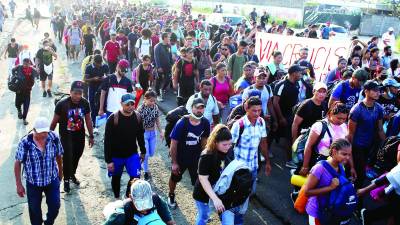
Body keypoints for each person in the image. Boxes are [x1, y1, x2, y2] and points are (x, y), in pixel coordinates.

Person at [14, 117, 63, 225]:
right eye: (41, 132)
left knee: (55, 205)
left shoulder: (53, 137)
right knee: (35, 211)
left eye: (46, 131)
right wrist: (19, 184)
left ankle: (48, 222)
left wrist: (60, 172)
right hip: (33, 183)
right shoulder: (25, 143)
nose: (44, 134)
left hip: (51, 179)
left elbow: (59, 155)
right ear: (34, 130)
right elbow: (17, 163)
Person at [50, 81, 94, 193]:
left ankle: (71, 174)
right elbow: (54, 122)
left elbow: (88, 119)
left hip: (79, 136)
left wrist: (91, 136)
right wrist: (49, 137)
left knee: (77, 156)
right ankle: (66, 180)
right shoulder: (62, 104)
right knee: (67, 158)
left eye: (80, 93)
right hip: (66, 136)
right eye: (75, 93)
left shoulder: (85, 103)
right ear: (70, 92)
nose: (78, 96)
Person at [168, 98, 210, 209]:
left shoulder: (205, 122)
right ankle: (171, 195)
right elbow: (174, 144)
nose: (200, 110)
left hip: (196, 158)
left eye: (202, 107)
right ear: (192, 108)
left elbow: (204, 140)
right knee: (175, 178)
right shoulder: (182, 122)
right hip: (181, 157)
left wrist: (204, 158)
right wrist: (174, 163)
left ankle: (200, 208)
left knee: (199, 182)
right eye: (197, 107)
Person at [193, 124, 237, 225]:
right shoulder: (207, 155)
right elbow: (203, 179)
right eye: (224, 145)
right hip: (203, 193)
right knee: (203, 216)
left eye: (230, 144)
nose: (228, 147)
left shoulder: (229, 150)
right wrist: (215, 199)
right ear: (215, 142)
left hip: (220, 189)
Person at [104, 93, 145, 199]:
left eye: (132, 104)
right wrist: (109, 161)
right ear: (121, 104)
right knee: (116, 178)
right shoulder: (113, 118)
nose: (131, 107)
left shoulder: (138, 117)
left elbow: (140, 136)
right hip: (116, 156)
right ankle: (117, 198)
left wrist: (143, 151)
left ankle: (127, 197)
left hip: (132, 154)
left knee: (135, 177)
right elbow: (107, 141)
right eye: (127, 104)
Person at [303, 139, 353, 225]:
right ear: (334, 151)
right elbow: (307, 192)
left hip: (329, 212)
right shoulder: (319, 168)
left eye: (349, 154)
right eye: (344, 154)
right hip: (316, 212)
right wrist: (330, 187)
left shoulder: (341, 167)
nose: (347, 158)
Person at [231, 96, 271, 197]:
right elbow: (229, 147)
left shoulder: (261, 122)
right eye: (254, 111)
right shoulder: (238, 125)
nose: (257, 114)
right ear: (246, 108)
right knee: (238, 194)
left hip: (253, 166)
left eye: (259, 110)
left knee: (251, 193)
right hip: (239, 168)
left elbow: (263, 143)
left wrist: (267, 162)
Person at [348, 80, 386, 188]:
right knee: (359, 175)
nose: (378, 93)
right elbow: (350, 134)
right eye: (375, 91)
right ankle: (356, 199)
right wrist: (349, 155)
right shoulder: (356, 109)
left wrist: (385, 145)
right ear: (366, 91)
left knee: (361, 173)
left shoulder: (378, 108)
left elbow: (380, 129)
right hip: (357, 146)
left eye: (379, 91)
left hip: (370, 146)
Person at [299, 102, 350, 176]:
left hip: (334, 166)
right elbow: (308, 146)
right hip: (316, 164)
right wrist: (305, 166)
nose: (341, 121)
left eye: (344, 119)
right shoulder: (319, 126)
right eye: (339, 118)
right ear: (330, 114)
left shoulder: (344, 127)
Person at [273, 64, 303, 168]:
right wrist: (280, 117)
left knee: (288, 137)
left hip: (291, 115)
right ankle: (266, 152)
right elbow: (275, 102)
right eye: (299, 72)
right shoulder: (281, 85)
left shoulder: (297, 84)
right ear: (294, 73)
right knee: (272, 134)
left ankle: (289, 159)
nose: (301, 74)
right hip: (280, 114)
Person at [137, 90, 164, 181]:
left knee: (151, 153)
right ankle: (145, 171)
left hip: (153, 133)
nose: (153, 102)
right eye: (151, 100)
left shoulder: (155, 107)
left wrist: (161, 132)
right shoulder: (140, 109)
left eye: (154, 100)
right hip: (143, 134)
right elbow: (136, 123)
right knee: (147, 154)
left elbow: (157, 121)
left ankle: (140, 156)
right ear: (145, 99)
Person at [84, 54, 109, 127]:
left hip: (102, 89)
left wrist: (105, 78)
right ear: (94, 62)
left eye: (100, 63)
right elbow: (85, 79)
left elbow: (108, 76)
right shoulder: (88, 67)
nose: (99, 65)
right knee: (92, 105)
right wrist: (93, 79)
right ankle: (94, 123)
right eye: (98, 64)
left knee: (103, 104)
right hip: (92, 88)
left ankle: (103, 123)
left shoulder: (105, 66)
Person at [13, 58, 38, 125]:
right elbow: (13, 70)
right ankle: (19, 110)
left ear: (29, 64)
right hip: (19, 90)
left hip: (27, 91)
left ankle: (24, 119)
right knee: (17, 104)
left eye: (26, 64)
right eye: (24, 64)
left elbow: (37, 74)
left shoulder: (32, 70)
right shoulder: (18, 67)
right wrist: (15, 77)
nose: (25, 65)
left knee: (26, 106)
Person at [154, 32, 173, 102]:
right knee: (158, 81)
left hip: (168, 66)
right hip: (160, 67)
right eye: (168, 37)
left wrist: (172, 64)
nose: (169, 38)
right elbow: (156, 57)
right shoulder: (158, 46)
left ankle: (162, 89)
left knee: (168, 79)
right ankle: (158, 94)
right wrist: (159, 67)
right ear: (164, 38)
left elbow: (170, 55)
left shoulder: (169, 45)